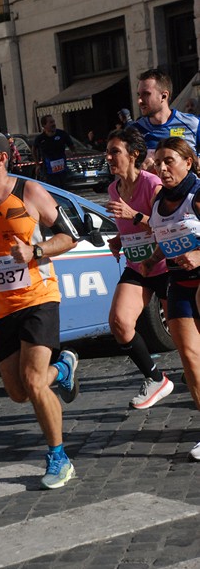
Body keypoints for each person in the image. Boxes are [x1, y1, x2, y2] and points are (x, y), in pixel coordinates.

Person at [0, 129, 80, 490]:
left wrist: (35, 252)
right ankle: (64, 367)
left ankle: (59, 457)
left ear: (1, 158)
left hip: (40, 297)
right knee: (16, 391)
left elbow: (69, 236)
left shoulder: (29, 193)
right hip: (1, 306)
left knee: (33, 381)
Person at [105, 127, 174, 409]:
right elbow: (134, 227)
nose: (108, 157)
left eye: (114, 152)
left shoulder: (153, 184)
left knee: (185, 339)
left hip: (166, 265)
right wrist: (120, 238)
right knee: (119, 323)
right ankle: (155, 377)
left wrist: (132, 216)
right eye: (107, 152)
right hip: (138, 268)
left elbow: (166, 225)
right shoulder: (113, 189)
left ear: (133, 154)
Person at [142, 137, 200, 461]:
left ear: (188, 163)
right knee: (191, 360)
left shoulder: (197, 196)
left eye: (170, 161)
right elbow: (166, 236)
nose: (162, 168)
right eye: (159, 162)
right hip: (178, 284)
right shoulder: (158, 203)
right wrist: (152, 258)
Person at [133, 68, 200, 171]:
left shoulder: (193, 124)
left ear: (164, 96)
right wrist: (140, 171)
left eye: (146, 94)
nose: (140, 101)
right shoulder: (134, 130)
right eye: (139, 94)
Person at [32, 114, 75, 188]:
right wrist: (37, 164)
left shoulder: (62, 134)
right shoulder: (40, 138)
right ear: (44, 125)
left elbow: (72, 146)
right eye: (51, 122)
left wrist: (71, 152)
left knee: (64, 189)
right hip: (48, 171)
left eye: (54, 122)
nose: (53, 124)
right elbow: (34, 149)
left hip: (62, 169)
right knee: (53, 190)